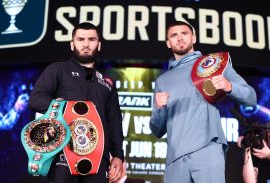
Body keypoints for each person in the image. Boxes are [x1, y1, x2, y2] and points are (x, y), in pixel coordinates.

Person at [149, 21, 257, 183]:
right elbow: (157, 130)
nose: (179, 38)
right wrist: (158, 108)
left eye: (184, 33)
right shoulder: (163, 80)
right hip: (175, 160)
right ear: (168, 43)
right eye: (174, 35)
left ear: (193, 38)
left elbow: (251, 98)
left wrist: (230, 87)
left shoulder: (214, 64)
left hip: (207, 148)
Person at [29, 22, 124, 183]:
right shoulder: (58, 69)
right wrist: (66, 106)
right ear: (72, 44)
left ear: (99, 45)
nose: (86, 44)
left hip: (98, 157)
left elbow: (114, 122)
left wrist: (118, 156)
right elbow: (36, 99)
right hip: (62, 153)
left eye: (91, 39)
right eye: (80, 39)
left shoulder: (107, 82)